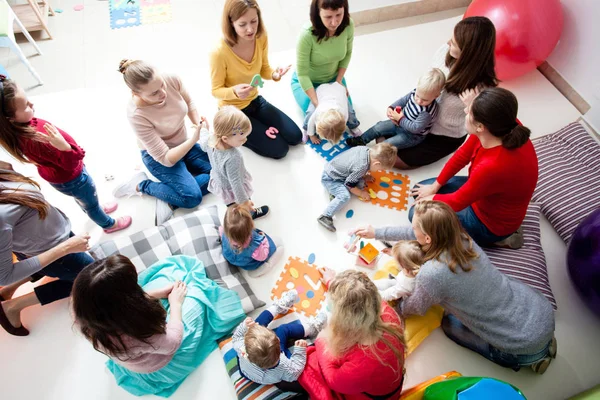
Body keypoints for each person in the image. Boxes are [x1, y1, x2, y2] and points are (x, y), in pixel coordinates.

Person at [354, 201, 557, 374]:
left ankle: (531, 359)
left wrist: (393, 306)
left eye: (415, 227)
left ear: (427, 239)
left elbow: (415, 307)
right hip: (540, 311)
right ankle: (542, 346)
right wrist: (377, 232)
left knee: (449, 324)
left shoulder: (432, 274)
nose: (411, 230)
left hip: (521, 344)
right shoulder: (462, 237)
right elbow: (415, 234)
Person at [72, 254, 246, 397]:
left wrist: (154, 294)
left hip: (137, 354)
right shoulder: (136, 335)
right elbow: (172, 343)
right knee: (194, 295)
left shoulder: (87, 318)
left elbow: (124, 304)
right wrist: (175, 303)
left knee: (169, 279)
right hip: (163, 365)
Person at [410, 87, 538, 248]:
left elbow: (457, 202)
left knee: (416, 216)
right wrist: (435, 187)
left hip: (488, 223)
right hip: (484, 194)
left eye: (469, 112)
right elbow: (462, 156)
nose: (464, 110)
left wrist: (430, 200)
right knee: (420, 190)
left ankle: (500, 238)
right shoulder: (502, 125)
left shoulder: (492, 167)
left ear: (480, 127)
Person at [0, 77, 131, 233]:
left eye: (28, 100)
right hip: (72, 178)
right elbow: (68, 165)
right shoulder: (36, 140)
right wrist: (65, 147)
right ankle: (109, 224)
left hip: (62, 178)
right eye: (26, 105)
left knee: (85, 200)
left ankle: (93, 207)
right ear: (10, 118)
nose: (32, 104)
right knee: (89, 202)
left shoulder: (18, 128)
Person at [113, 59, 212, 225]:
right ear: (135, 94)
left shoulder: (171, 79)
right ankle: (142, 185)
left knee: (222, 170)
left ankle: (174, 192)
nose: (162, 93)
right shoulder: (137, 115)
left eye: (161, 86)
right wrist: (194, 138)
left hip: (183, 144)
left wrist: (198, 126)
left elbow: (189, 103)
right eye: (153, 93)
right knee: (191, 198)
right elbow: (166, 158)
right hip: (160, 157)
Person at [0, 164, 92, 336]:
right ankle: (12, 307)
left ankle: (9, 291)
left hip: (44, 240)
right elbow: (4, 275)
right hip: (54, 251)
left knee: (61, 269)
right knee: (91, 278)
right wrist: (66, 248)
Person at [394, 16, 498, 169]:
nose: (448, 42)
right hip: (421, 116)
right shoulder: (444, 51)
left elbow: (481, 128)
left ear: (468, 52)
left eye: (454, 43)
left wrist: (472, 106)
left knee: (397, 161)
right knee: (383, 141)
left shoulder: (482, 87)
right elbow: (426, 83)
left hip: (443, 135)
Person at [288, 269, 405, 399]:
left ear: (347, 324)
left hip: (364, 393)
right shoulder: (386, 312)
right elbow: (357, 299)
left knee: (306, 366)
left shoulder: (362, 366)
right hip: (376, 381)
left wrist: (321, 340)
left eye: (333, 310)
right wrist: (333, 284)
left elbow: (333, 380)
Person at [210, 0, 302, 160]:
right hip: (233, 112)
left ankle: (252, 128)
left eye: (254, 21)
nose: (250, 29)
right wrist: (234, 92)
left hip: (255, 101)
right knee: (280, 150)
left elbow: (264, 68)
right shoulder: (219, 53)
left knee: (296, 136)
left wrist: (275, 75)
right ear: (231, 23)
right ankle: (232, 134)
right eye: (242, 24)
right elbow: (216, 91)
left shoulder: (260, 37)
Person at [292, 0, 362, 137]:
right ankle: (307, 130)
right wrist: (318, 103)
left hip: (334, 78)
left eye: (338, 15)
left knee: (344, 112)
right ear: (318, 14)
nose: (334, 22)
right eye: (328, 17)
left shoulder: (348, 25)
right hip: (308, 83)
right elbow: (302, 74)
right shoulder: (307, 35)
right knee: (316, 115)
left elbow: (347, 54)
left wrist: (339, 81)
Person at [232, 289, 327, 385]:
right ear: (278, 340)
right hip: (268, 372)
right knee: (283, 329)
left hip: (247, 371)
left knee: (256, 324)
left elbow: (236, 336)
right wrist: (300, 350)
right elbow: (296, 371)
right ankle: (312, 329)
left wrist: (245, 325)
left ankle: (277, 307)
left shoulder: (241, 347)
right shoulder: (284, 366)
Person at [347, 68, 445, 150]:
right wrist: (391, 107)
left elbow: (415, 128)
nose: (419, 101)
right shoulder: (414, 92)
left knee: (386, 146)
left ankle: (371, 155)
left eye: (424, 100)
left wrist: (400, 119)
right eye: (418, 96)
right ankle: (361, 140)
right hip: (399, 122)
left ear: (436, 96)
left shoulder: (427, 112)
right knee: (378, 126)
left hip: (411, 135)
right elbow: (403, 100)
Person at [199, 106, 269, 220]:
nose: (245, 140)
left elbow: (202, 142)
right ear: (225, 139)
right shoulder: (233, 157)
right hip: (232, 186)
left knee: (230, 204)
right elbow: (236, 183)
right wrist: (244, 202)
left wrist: (204, 128)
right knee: (243, 204)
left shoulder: (211, 139)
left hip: (219, 181)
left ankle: (234, 214)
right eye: (242, 138)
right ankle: (250, 214)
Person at [317, 142, 397, 232]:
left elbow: (352, 165)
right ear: (376, 164)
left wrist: (364, 176)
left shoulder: (365, 149)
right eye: (380, 169)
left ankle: (335, 194)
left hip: (334, 169)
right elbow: (349, 184)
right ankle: (325, 216)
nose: (379, 171)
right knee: (345, 196)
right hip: (331, 179)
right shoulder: (361, 167)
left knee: (361, 183)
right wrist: (361, 193)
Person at [220, 204, 283, 278]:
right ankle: (262, 269)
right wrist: (264, 239)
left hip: (230, 257)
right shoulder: (254, 246)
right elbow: (263, 255)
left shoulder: (224, 231)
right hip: (249, 264)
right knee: (279, 244)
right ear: (251, 226)